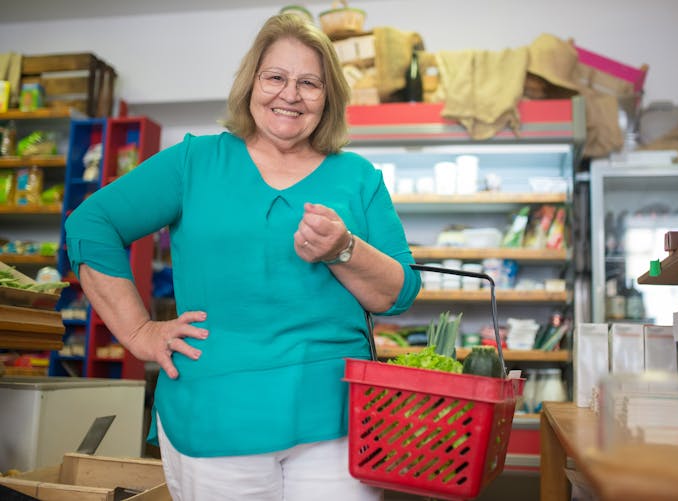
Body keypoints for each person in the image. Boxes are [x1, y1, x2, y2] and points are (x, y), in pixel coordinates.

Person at [64, 13, 421, 501]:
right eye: (275, 77)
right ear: (251, 83)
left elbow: (398, 293)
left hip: (335, 417)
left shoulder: (357, 177)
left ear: (329, 97)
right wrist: (139, 332)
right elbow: (91, 224)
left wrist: (343, 248)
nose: (290, 94)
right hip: (214, 414)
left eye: (309, 83)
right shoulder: (195, 163)